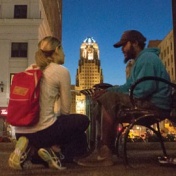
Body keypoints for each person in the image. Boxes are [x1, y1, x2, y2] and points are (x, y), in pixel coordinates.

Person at [76, 30, 172, 167]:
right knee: (105, 99)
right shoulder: (140, 61)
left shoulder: (147, 59)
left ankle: (105, 154)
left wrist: (114, 96)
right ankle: (102, 150)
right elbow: (128, 86)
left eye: (124, 45)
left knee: (109, 99)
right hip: (148, 102)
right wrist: (107, 91)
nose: (122, 50)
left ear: (135, 43)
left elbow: (145, 88)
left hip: (155, 105)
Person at [8, 36, 89, 170]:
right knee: (82, 121)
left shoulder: (30, 69)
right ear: (57, 50)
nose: (64, 54)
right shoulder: (61, 71)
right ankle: (56, 152)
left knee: (68, 130)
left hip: (20, 130)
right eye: (62, 50)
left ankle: (30, 148)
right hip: (45, 132)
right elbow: (65, 110)